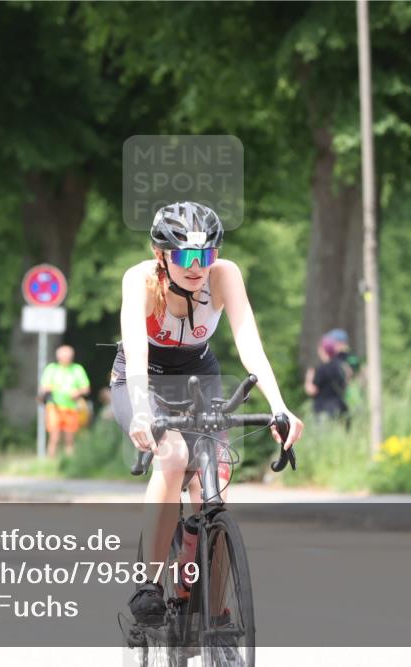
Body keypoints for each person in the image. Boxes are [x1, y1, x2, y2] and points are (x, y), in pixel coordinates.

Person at [111, 201, 303, 625]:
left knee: (212, 488)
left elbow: (248, 339)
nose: (197, 266)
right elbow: (137, 352)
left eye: (207, 254)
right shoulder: (139, 280)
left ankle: (215, 613)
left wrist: (278, 404)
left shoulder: (224, 275)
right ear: (162, 255)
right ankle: (148, 583)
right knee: (174, 456)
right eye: (185, 256)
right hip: (142, 379)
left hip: (199, 373)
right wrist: (142, 411)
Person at [38, 345, 90, 457]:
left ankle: (69, 463)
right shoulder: (52, 368)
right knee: (54, 437)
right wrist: (48, 389)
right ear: (58, 357)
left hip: (71, 407)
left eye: (69, 356)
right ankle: (50, 462)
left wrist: (78, 392)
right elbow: (43, 387)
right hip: (54, 406)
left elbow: (86, 389)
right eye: (64, 356)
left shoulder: (77, 369)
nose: (66, 358)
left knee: (69, 438)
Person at [304, 336, 349, 424]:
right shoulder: (340, 366)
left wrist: (309, 378)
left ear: (323, 350)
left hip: (323, 410)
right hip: (339, 407)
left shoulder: (322, 369)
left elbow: (312, 390)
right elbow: (346, 382)